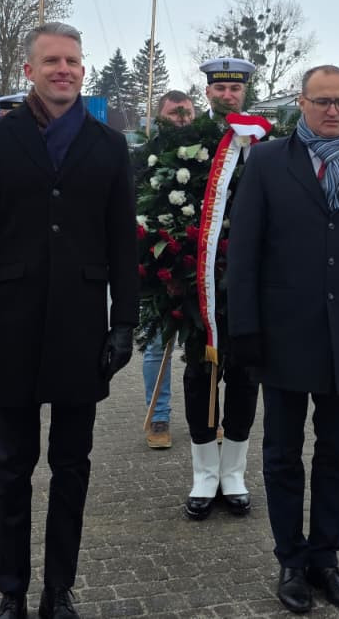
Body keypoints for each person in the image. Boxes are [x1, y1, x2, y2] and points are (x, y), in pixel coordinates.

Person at [0, 22, 137, 619]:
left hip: (83, 327)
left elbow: (120, 243)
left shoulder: (109, 145)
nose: (65, 69)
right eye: (52, 61)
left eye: (73, 61)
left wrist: (124, 321)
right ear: (29, 70)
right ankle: (12, 591)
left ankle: (60, 589)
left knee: (73, 467)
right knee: (11, 466)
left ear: (84, 70)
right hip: (11, 325)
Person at [227, 65, 339, 614]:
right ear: (301, 103)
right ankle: (291, 560)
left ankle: (326, 557)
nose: (333, 111)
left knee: (337, 454)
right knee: (283, 455)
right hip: (282, 336)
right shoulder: (266, 162)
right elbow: (244, 253)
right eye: (323, 101)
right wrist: (246, 330)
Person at [155, 59, 265, 520]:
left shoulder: (262, 144)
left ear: (245, 93)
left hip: (247, 288)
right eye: (218, 88)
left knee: (243, 377)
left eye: (233, 89)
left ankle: (234, 471)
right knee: (199, 377)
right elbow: (162, 201)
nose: (225, 96)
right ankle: (204, 473)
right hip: (196, 286)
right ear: (208, 93)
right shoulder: (189, 143)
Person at [138, 90, 197, 451]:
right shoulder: (144, 157)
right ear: (160, 116)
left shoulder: (207, 153)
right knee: (157, 346)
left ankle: (203, 416)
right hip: (155, 267)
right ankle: (158, 415)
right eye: (175, 113)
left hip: (197, 264)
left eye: (187, 113)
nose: (182, 119)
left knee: (200, 346)